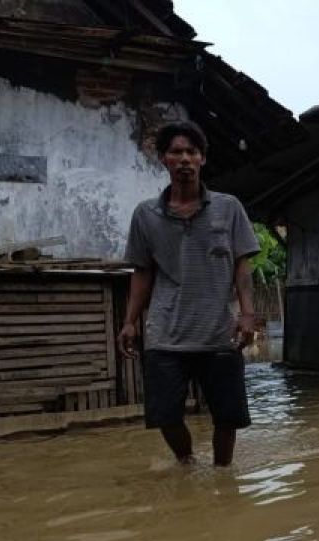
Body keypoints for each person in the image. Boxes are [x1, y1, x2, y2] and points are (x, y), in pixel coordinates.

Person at [119, 121, 261, 466]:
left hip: (218, 334)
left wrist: (247, 315)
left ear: (202, 159)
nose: (184, 159)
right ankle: (186, 462)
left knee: (228, 417)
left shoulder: (229, 208)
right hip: (166, 335)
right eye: (176, 152)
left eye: (191, 152)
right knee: (164, 415)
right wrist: (130, 322)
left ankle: (223, 475)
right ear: (163, 160)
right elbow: (142, 272)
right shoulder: (146, 215)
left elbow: (242, 267)